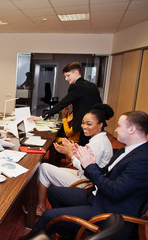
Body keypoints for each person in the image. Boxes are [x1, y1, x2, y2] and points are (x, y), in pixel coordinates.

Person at [21, 111, 148, 240]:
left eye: (120, 126)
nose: (115, 129)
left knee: (48, 215)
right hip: (97, 195)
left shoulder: (142, 160)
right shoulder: (126, 150)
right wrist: (85, 161)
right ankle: (68, 230)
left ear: (132, 129)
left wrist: (89, 166)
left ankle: (64, 224)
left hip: (106, 209)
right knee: (53, 192)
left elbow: (116, 191)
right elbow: (106, 173)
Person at [35, 104, 114, 216]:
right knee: (44, 169)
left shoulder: (97, 143)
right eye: (83, 123)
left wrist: (69, 153)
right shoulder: (100, 139)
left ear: (100, 125)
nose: (84, 126)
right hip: (84, 176)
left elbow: (86, 168)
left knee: (44, 168)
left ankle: (40, 207)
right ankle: (40, 205)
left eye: (89, 124)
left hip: (86, 182)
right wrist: (72, 149)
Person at [28, 62, 102, 145]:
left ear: (76, 73)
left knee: (82, 150)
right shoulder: (92, 85)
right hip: (97, 124)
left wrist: (41, 117)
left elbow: (62, 104)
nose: (66, 79)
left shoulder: (76, 86)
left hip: (86, 126)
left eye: (68, 75)